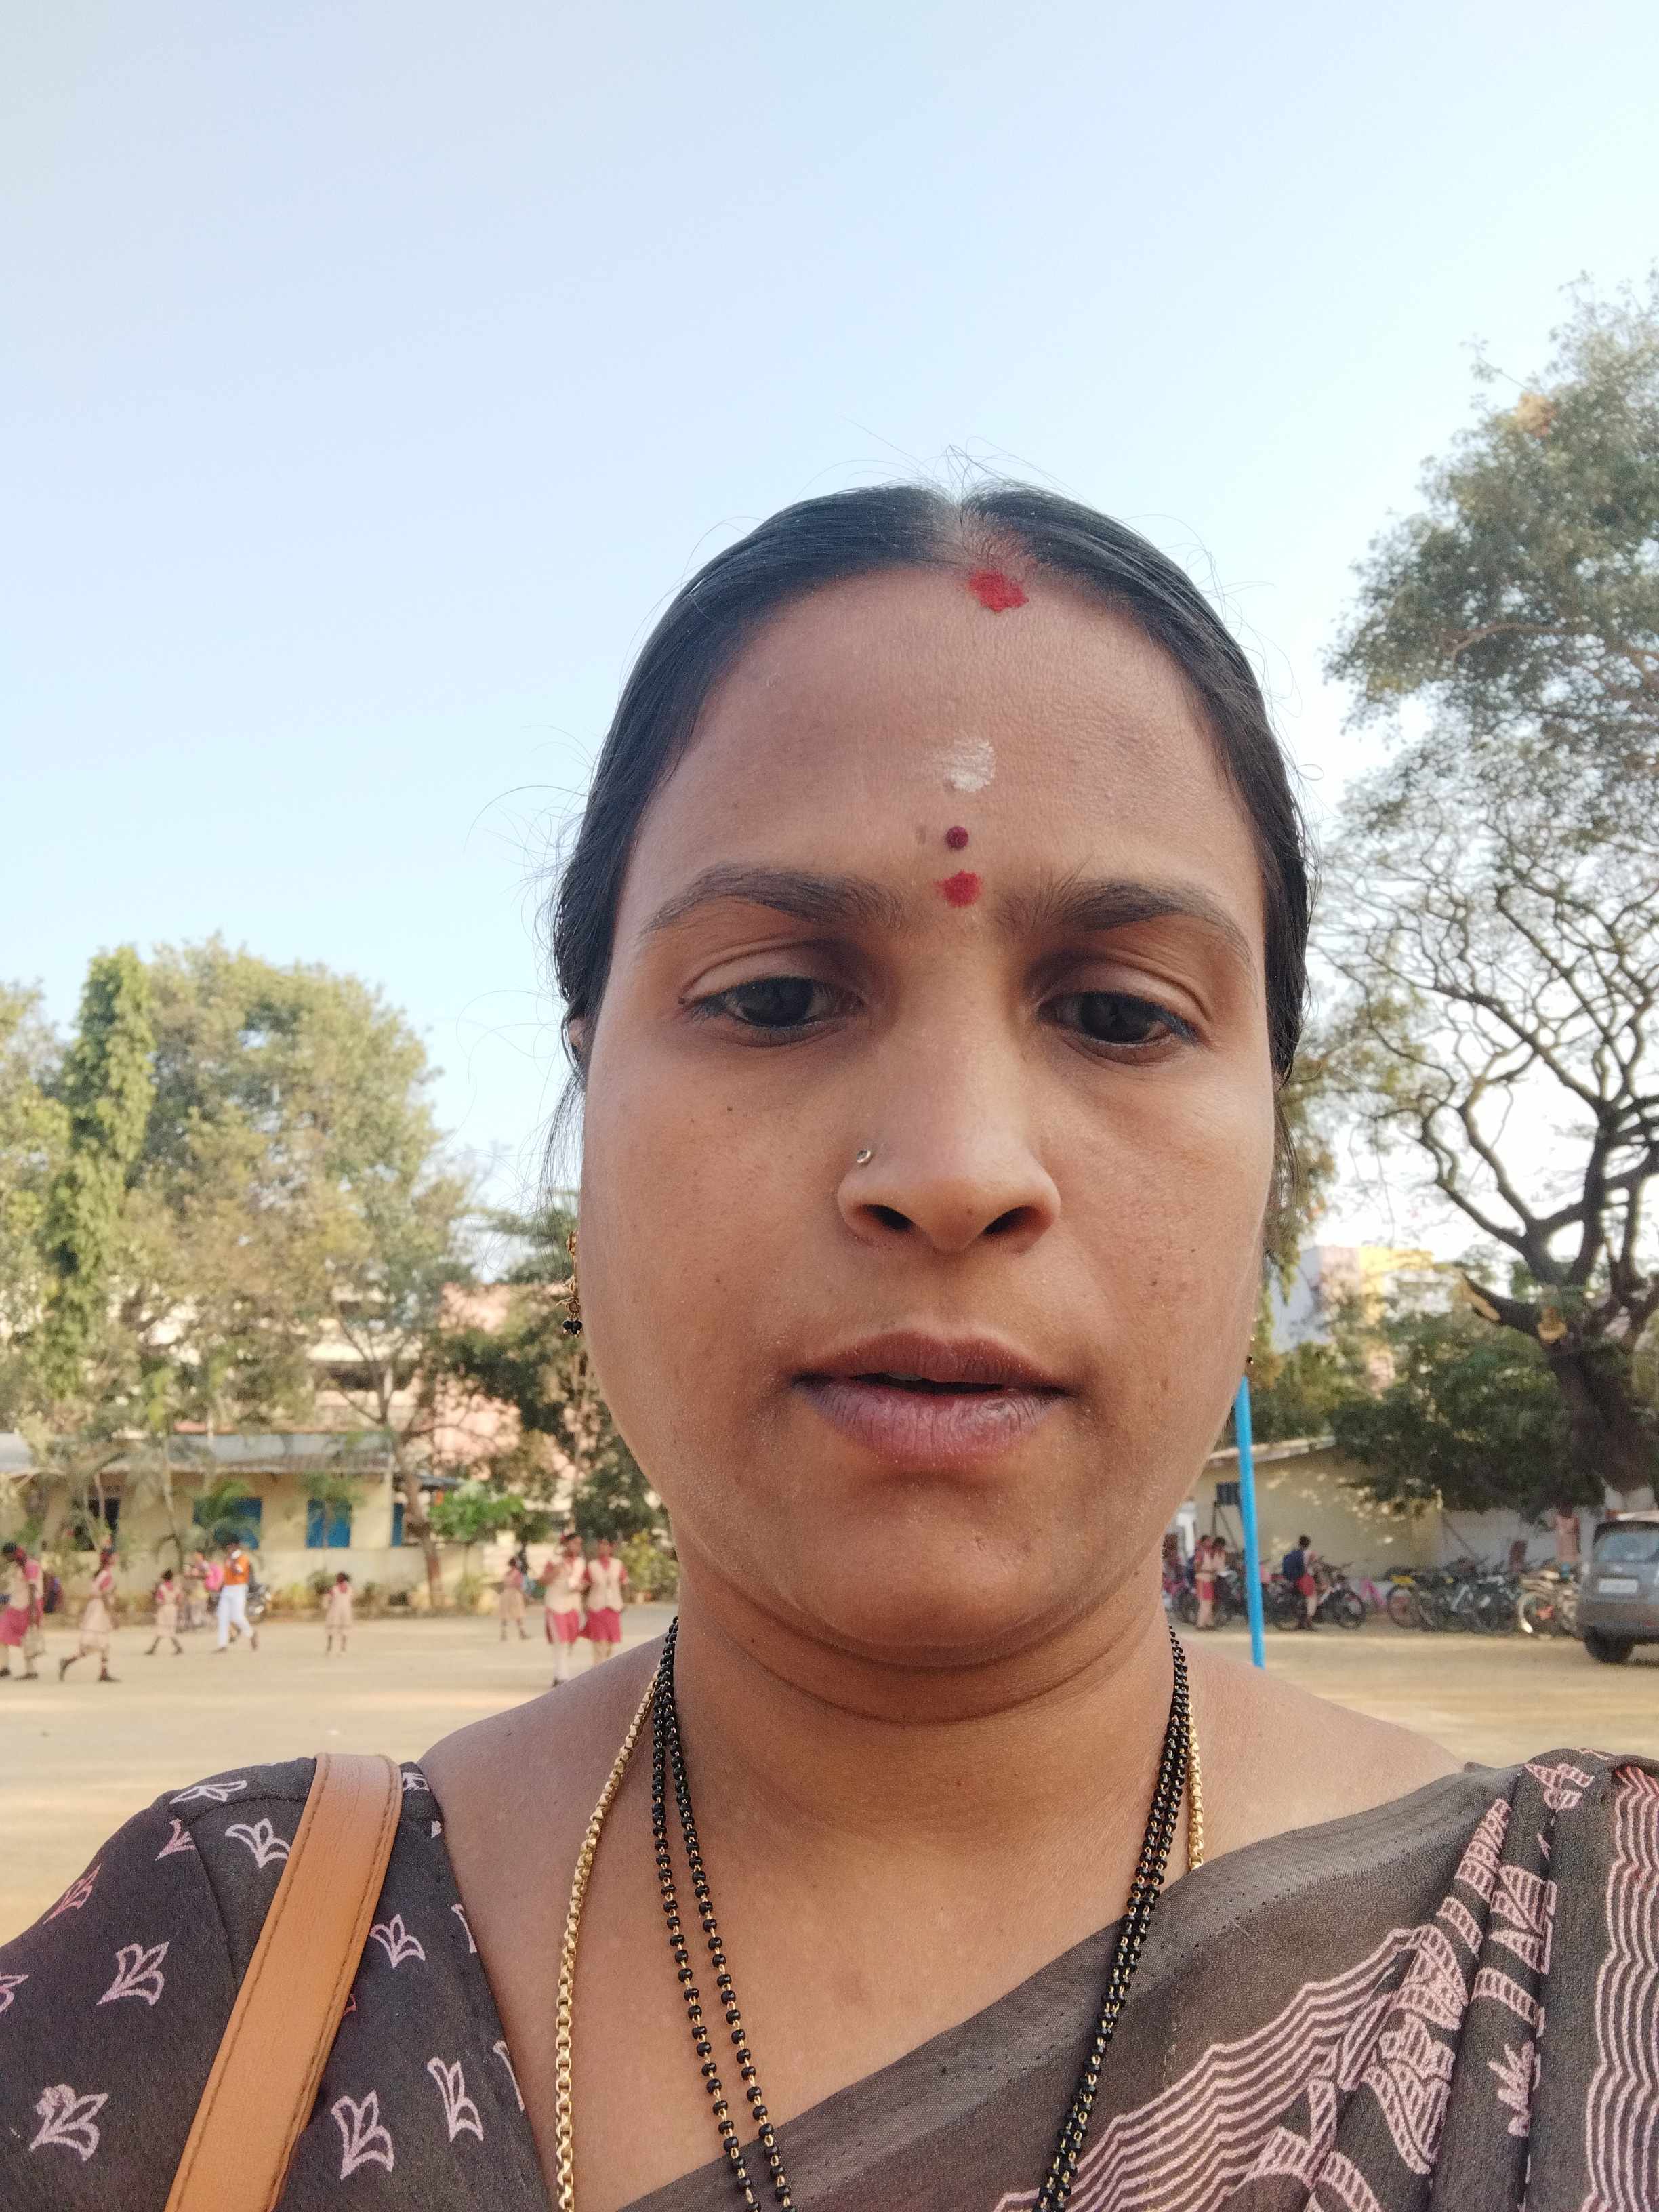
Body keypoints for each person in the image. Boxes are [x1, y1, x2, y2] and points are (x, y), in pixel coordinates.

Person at [3, 483, 1655, 2210]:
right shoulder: (202, 1996)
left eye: (1118, 1014)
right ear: (586, 1094)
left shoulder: (1583, 1973)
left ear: (1272, 1140)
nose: (952, 1170)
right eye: (775, 998)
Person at [58, 1544, 119, 1683]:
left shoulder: (100, 1574)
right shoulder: (106, 1575)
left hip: (96, 1608)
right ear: (109, 1558)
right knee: (97, 1641)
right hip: (100, 1610)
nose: (116, 1558)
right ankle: (70, 1661)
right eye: (114, 1556)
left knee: (102, 1642)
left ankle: (102, 1671)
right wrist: (112, 1615)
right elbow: (105, 1596)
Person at [544, 1529, 589, 1685]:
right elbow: (543, 1581)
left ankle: (560, 1674)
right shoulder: (554, 1560)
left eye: (580, 1544)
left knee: (570, 1641)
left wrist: (582, 1587)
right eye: (575, 1543)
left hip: (573, 1606)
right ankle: (562, 1676)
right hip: (556, 1604)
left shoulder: (581, 1563)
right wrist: (555, 1572)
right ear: (566, 1543)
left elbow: (584, 1581)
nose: (578, 1547)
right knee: (560, 1641)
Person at [0, 1538, 43, 1681]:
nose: (5, 1558)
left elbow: (32, 1589)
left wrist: (33, 1611)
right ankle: (3, 1668)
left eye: (6, 1555)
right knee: (1, 1634)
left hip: (28, 1607)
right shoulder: (17, 1567)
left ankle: (31, 1671)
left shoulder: (31, 1566)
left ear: (12, 1554)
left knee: (27, 1638)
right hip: (15, 1606)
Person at [580, 1536, 628, 1660]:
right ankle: (598, 1667)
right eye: (600, 1545)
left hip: (613, 1607)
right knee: (599, 1642)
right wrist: (583, 1604)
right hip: (596, 1607)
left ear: (611, 1547)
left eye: (606, 1545)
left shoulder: (618, 1565)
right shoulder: (592, 1566)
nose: (603, 1548)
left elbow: (624, 1585)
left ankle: (605, 1664)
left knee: (610, 1643)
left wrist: (624, 1602)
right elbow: (585, 1587)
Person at [214, 1538, 258, 1652]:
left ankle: (251, 1633)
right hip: (227, 1589)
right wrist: (220, 1585)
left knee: (237, 1616)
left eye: (230, 1546)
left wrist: (232, 1560)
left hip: (239, 1588)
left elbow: (237, 1571)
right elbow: (226, 1574)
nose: (227, 1548)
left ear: (235, 1546)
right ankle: (222, 1645)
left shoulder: (242, 1558)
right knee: (222, 1616)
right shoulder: (227, 1558)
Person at [146, 1568, 184, 1657]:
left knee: (161, 1628)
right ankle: (178, 1647)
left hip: (164, 1608)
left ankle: (153, 1648)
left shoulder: (162, 1588)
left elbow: (159, 1600)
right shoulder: (176, 1587)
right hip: (173, 1608)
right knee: (171, 1628)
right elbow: (179, 1599)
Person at [497, 1555, 530, 1641]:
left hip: (506, 1594)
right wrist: (525, 1596)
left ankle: (503, 1633)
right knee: (518, 1613)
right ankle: (522, 1633)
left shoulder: (506, 1574)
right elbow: (518, 1586)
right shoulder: (518, 1573)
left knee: (505, 1614)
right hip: (514, 1594)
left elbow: (503, 1585)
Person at [1193, 1530, 1220, 1630]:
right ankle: (1200, 1624)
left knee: (1209, 1602)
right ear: (1203, 1542)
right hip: (1203, 1579)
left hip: (1209, 1580)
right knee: (1204, 1602)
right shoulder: (1200, 1552)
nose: (1210, 1543)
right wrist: (1209, 1571)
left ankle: (1209, 1623)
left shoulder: (1209, 1553)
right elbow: (1197, 1568)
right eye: (1208, 1541)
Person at [323, 1571, 353, 1655]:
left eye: (339, 1577)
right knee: (331, 1630)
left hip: (345, 1612)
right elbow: (327, 1598)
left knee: (344, 1630)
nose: (338, 1578)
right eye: (337, 1577)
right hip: (335, 1611)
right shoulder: (334, 1588)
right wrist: (326, 1606)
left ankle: (343, 1649)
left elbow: (351, 1598)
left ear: (344, 1578)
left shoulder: (349, 1589)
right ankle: (329, 1648)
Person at [181, 1547, 209, 1631]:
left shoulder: (204, 1564)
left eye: (196, 1555)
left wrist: (194, 1575)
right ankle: (192, 1625)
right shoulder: (195, 1565)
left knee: (199, 1608)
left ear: (201, 1555)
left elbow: (207, 1574)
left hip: (201, 1590)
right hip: (194, 1590)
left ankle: (201, 1624)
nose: (195, 1556)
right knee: (192, 1607)